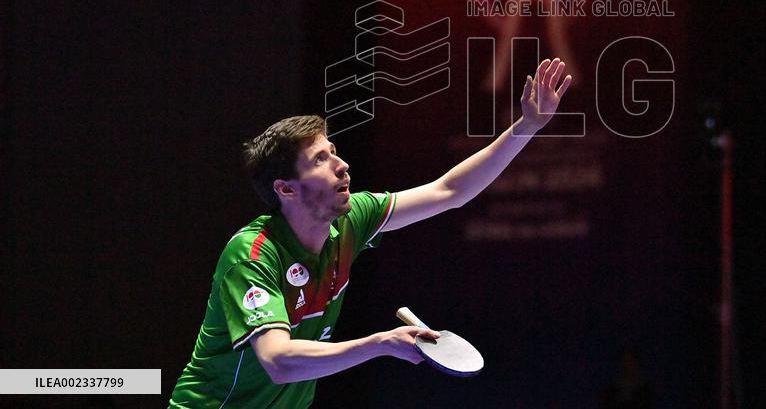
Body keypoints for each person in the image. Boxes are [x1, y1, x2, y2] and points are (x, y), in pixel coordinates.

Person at [169, 58, 572, 407]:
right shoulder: (253, 255)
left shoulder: (350, 221)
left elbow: (449, 191)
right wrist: (380, 344)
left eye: (334, 151)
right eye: (320, 159)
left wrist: (526, 127)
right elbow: (279, 361)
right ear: (286, 189)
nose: (341, 165)